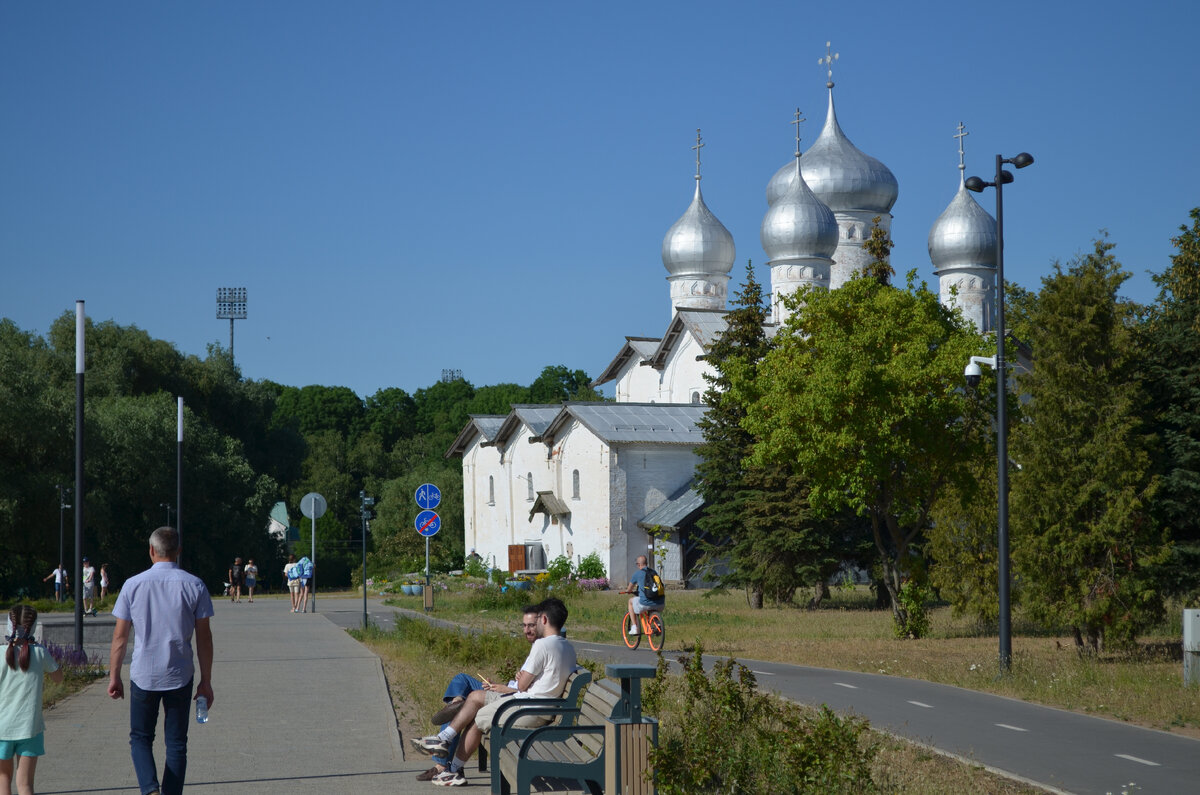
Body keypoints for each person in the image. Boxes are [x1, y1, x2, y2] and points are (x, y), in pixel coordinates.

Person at [413, 597, 577, 787]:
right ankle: (444, 743)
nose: (533, 625)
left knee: (476, 715)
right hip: (538, 706)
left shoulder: (543, 645)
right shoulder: (568, 647)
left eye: (537, 619)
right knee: (474, 698)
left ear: (544, 620)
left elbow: (522, 685)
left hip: (528, 708)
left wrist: (523, 679)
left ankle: (451, 766)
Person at [108, 526, 214, 795]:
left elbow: (120, 638)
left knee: (140, 738)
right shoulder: (195, 585)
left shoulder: (132, 585)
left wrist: (114, 676)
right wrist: (206, 681)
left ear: (152, 551)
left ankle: (150, 789)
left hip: (143, 675)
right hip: (180, 674)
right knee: (177, 743)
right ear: (178, 551)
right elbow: (204, 638)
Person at [1, 605, 64, 795]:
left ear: (7, 627)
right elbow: (58, 677)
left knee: (3, 780)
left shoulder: (1, 653)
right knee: (25, 784)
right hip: (30, 727)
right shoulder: (40, 652)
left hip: (2, 728)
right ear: (34, 626)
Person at [620, 554, 665, 635]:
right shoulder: (654, 572)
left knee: (630, 601)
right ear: (646, 563)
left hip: (645, 603)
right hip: (660, 603)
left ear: (638, 564)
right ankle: (657, 623)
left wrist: (628, 591)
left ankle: (634, 627)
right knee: (651, 607)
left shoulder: (637, 574)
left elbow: (629, 589)